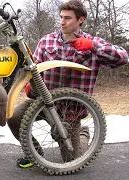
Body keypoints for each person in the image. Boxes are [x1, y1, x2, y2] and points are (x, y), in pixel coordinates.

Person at [7, 0, 128, 168]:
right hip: (45, 104)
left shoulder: (92, 42)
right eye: (61, 17)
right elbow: (34, 68)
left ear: (81, 20)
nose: (62, 22)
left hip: (71, 112)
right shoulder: (47, 41)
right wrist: (29, 84)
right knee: (13, 116)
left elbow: (123, 57)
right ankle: (34, 152)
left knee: (72, 161)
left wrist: (93, 46)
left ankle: (82, 133)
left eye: (68, 18)